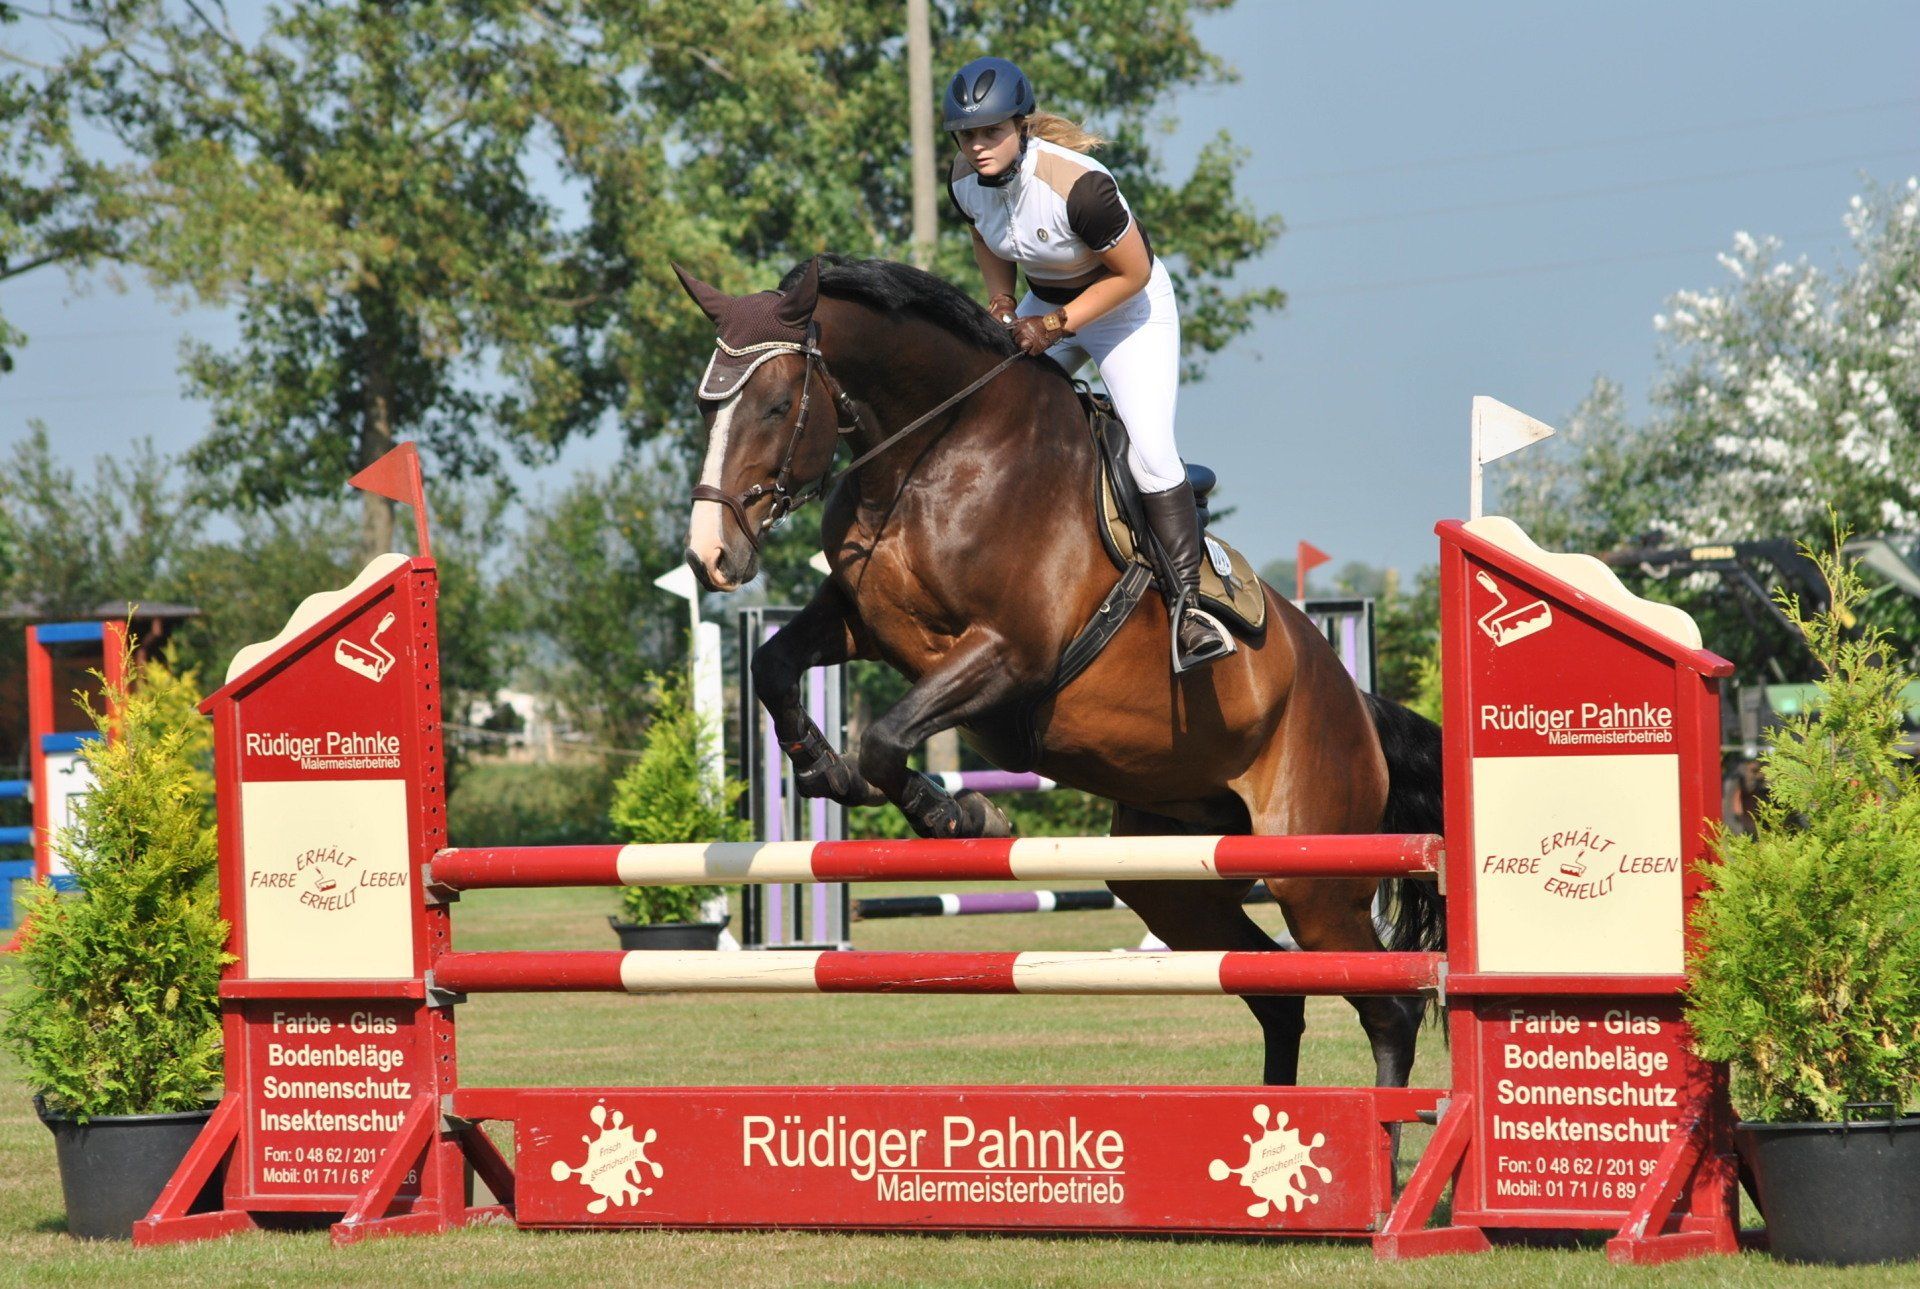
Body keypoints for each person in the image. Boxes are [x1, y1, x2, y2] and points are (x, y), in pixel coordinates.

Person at [942, 55, 1232, 674]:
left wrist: (1054, 326)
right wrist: (1001, 299)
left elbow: (1135, 273)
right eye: (967, 134)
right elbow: (984, 236)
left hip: (1128, 308)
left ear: (1020, 125)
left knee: (1150, 453)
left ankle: (1192, 607)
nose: (977, 145)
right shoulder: (963, 178)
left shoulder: (1081, 187)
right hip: (1047, 301)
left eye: (990, 131)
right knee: (986, 407)